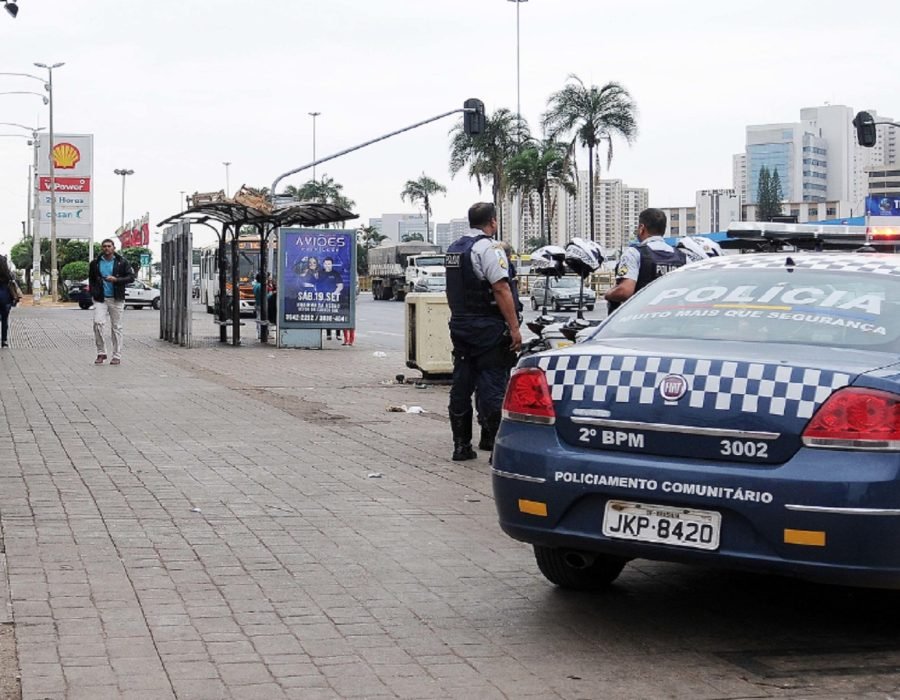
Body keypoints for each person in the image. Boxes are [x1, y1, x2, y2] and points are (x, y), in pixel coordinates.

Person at [445, 202, 522, 461]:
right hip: (487, 327)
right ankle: (495, 448)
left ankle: (461, 445)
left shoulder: (454, 249)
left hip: (460, 325)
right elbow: (501, 289)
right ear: (493, 221)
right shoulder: (488, 248)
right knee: (492, 385)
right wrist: (514, 328)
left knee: (462, 385)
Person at [605, 208, 686, 313]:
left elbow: (624, 291)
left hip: (642, 320)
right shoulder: (682, 257)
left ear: (641, 228)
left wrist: (609, 294)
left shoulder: (634, 253)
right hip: (673, 319)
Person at [88, 238, 135, 365]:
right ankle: (101, 352)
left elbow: (131, 277)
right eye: (104, 246)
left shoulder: (121, 262)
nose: (106, 248)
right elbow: (91, 279)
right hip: (100, 299)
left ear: (114, 248)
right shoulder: (95, 263)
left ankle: (117, 355)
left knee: (116, 327)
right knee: (97, 323)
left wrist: (116, 280)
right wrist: (93, 292)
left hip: (116, 298)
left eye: (109, 246)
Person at [319, 257, 345, 342]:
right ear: (323, 264)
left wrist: (333, 294)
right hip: (323, 298)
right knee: (327, 316)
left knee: (336, 316)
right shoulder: (320, 273)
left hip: (334, 297)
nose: (327, 265)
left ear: (332, 264)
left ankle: (338, 334)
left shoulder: (335, 274)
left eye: (329, 264)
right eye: (326, 264)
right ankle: (328, 334)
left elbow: (340, 286)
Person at [0, 255, 22, 348]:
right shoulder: (7, 274)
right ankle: (4, 340)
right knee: (5, 320)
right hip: (5, 299)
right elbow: (12, 282)